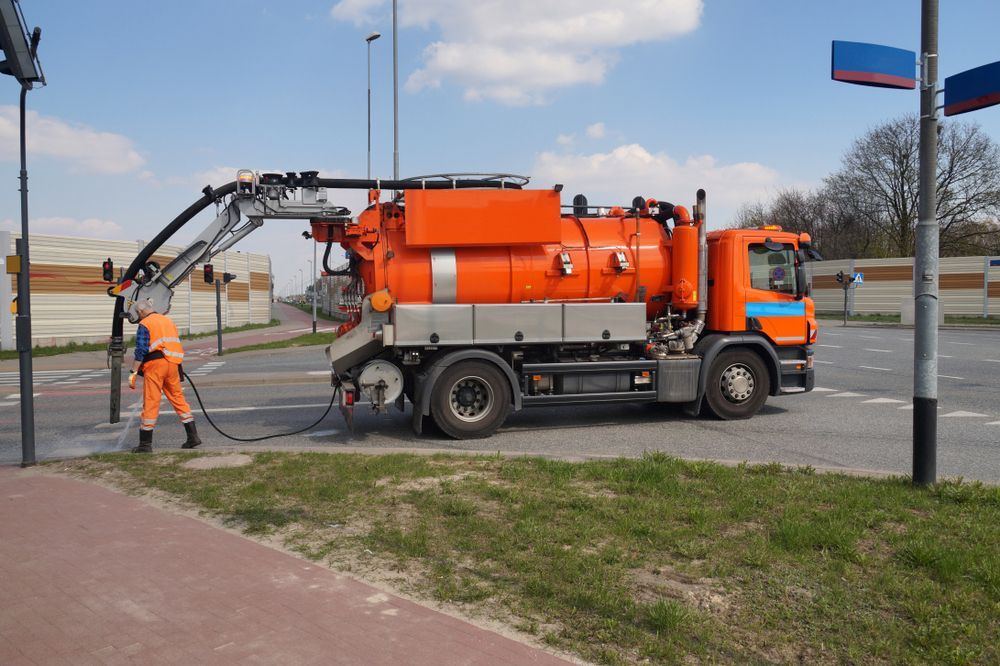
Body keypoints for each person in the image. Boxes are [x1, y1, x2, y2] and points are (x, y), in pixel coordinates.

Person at [128, 299, 202, 453]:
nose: (138, 316)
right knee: (178, 399)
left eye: (137, 313)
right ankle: (193, 437)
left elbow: (141, 349)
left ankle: (145, 445)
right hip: (173, 364)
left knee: (151, 401)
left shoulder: (146, 323)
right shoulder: (168, 321)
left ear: (141, 312)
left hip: (155, 366)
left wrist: (133, 371)